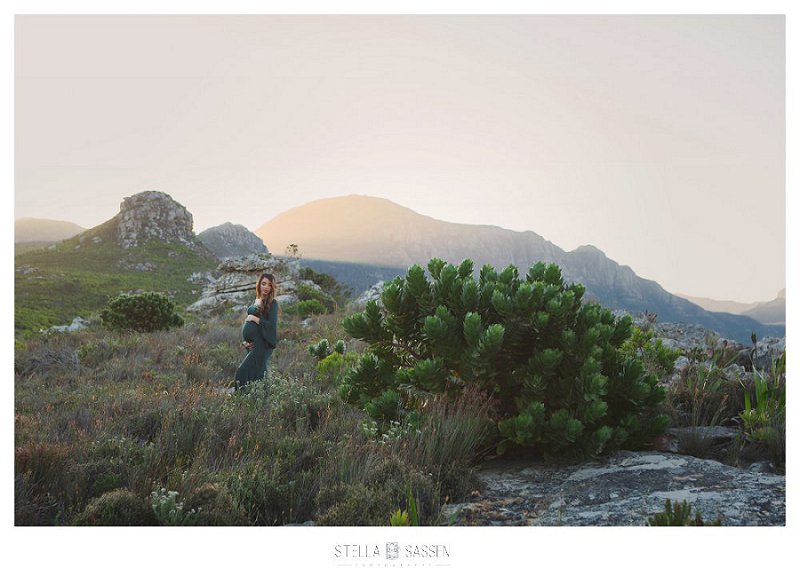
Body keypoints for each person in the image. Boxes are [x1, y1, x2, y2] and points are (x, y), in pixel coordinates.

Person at [234, 272, 278, 390]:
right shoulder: (258, 301)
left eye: (269, 285)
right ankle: (251, 401)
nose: (266, 287)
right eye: (263, 284)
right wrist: (247, 341)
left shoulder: (273, 304)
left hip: (263, 345)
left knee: (242, 372)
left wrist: (254, 319)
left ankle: (242, 400)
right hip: (253, 345)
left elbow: (271, 326)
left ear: (272, 287)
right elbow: (251, 311)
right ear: (259, 285)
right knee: (255, 374)